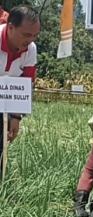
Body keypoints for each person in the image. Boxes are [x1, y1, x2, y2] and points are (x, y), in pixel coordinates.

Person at [0, 6, 39, 169]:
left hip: (7, 101)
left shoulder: (31, 49)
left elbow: (27, 82)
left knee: (2, 144)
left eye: (35, 35)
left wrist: (16, 118)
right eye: (26, 35)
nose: (30, 40)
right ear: (10, 28)